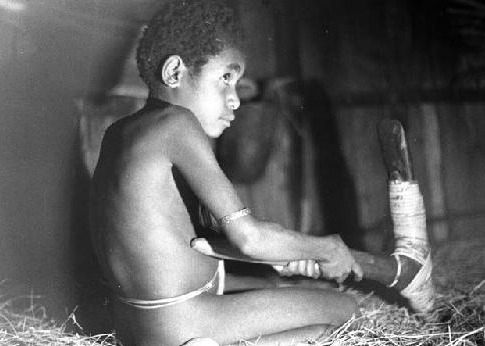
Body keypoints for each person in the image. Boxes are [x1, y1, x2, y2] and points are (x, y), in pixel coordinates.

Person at [90, 1, 369, 345]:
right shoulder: (176, 123)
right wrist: (327, 249)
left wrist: (287, 259)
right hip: (184, 321)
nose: (235, 99)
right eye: (226, 77)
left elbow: (183, 248)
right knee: (345, 310)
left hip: (137, 329)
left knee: (310, 324)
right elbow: (250, 238)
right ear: (175, 72)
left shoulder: (118, 133)